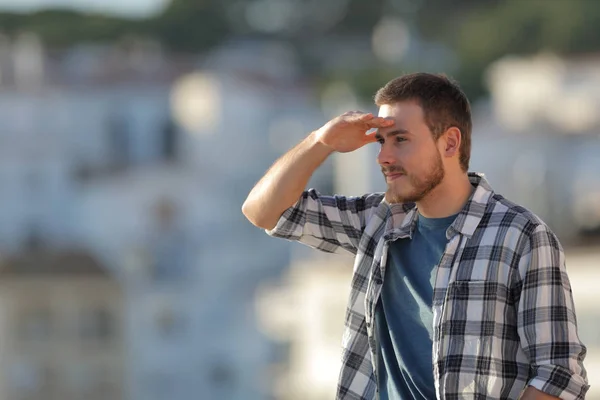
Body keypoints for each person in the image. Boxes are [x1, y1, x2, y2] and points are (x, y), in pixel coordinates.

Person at [242, 73, 589, 400]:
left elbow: (559, 375)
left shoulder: (521, 236)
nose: (383, 157)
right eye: (381, 141)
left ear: (450, 142)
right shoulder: (376, 222)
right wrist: (321, 141)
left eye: (401, 140)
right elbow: (264, 212)